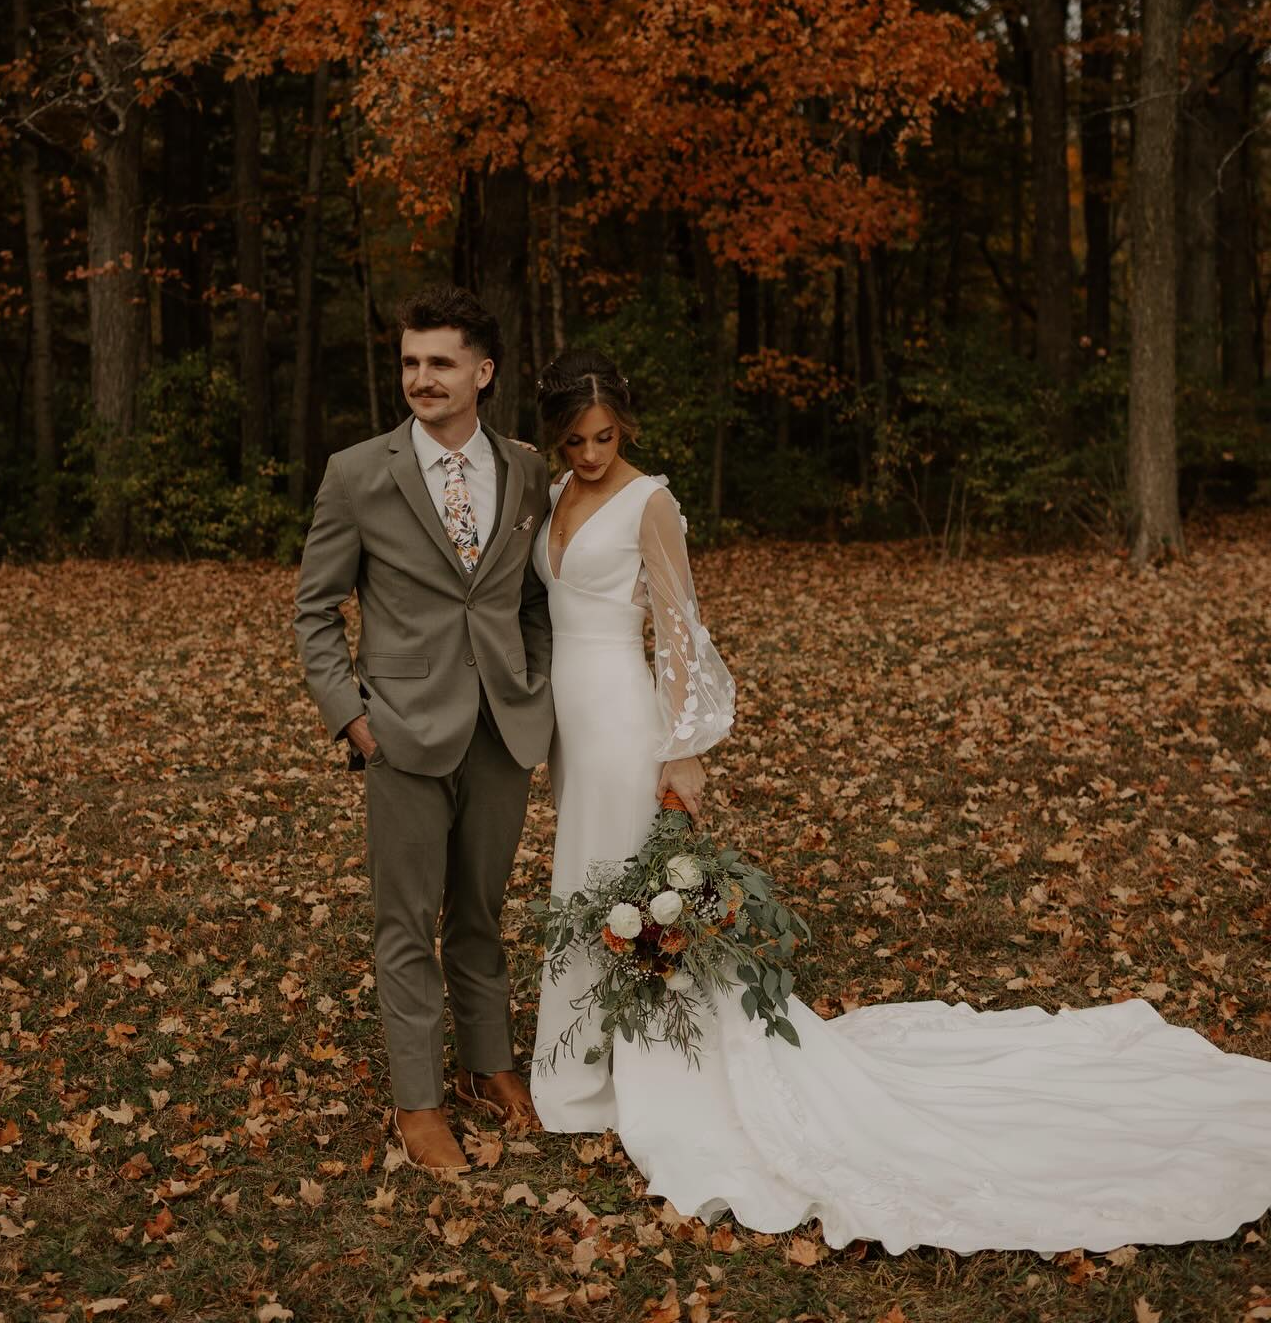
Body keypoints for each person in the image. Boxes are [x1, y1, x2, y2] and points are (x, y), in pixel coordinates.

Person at [530, 348, 1271, 1252]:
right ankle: (581, 1060)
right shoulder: (552, 493)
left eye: (606, 437)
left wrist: (682, 747)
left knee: (631, 885)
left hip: (623, 718)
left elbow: (681, 628)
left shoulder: (648, 501)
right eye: (577, 440)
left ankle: (653, 1066)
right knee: (584, 879)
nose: (591, 454)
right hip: (571, 723)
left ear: (626, 429)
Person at [295, 284, 554, 1176]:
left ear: (483, 372)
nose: (421, 378)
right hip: (399, 732)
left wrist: (533, 686)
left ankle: (488, 1066)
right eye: (410, 362)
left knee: (480, 910)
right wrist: (354, 720)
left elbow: (531, 601)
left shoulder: (525, 473)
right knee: (405, 923)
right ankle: (419, 1101)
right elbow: (314, 611)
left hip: (502, 728)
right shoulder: (356, 473)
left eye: (441, 362)